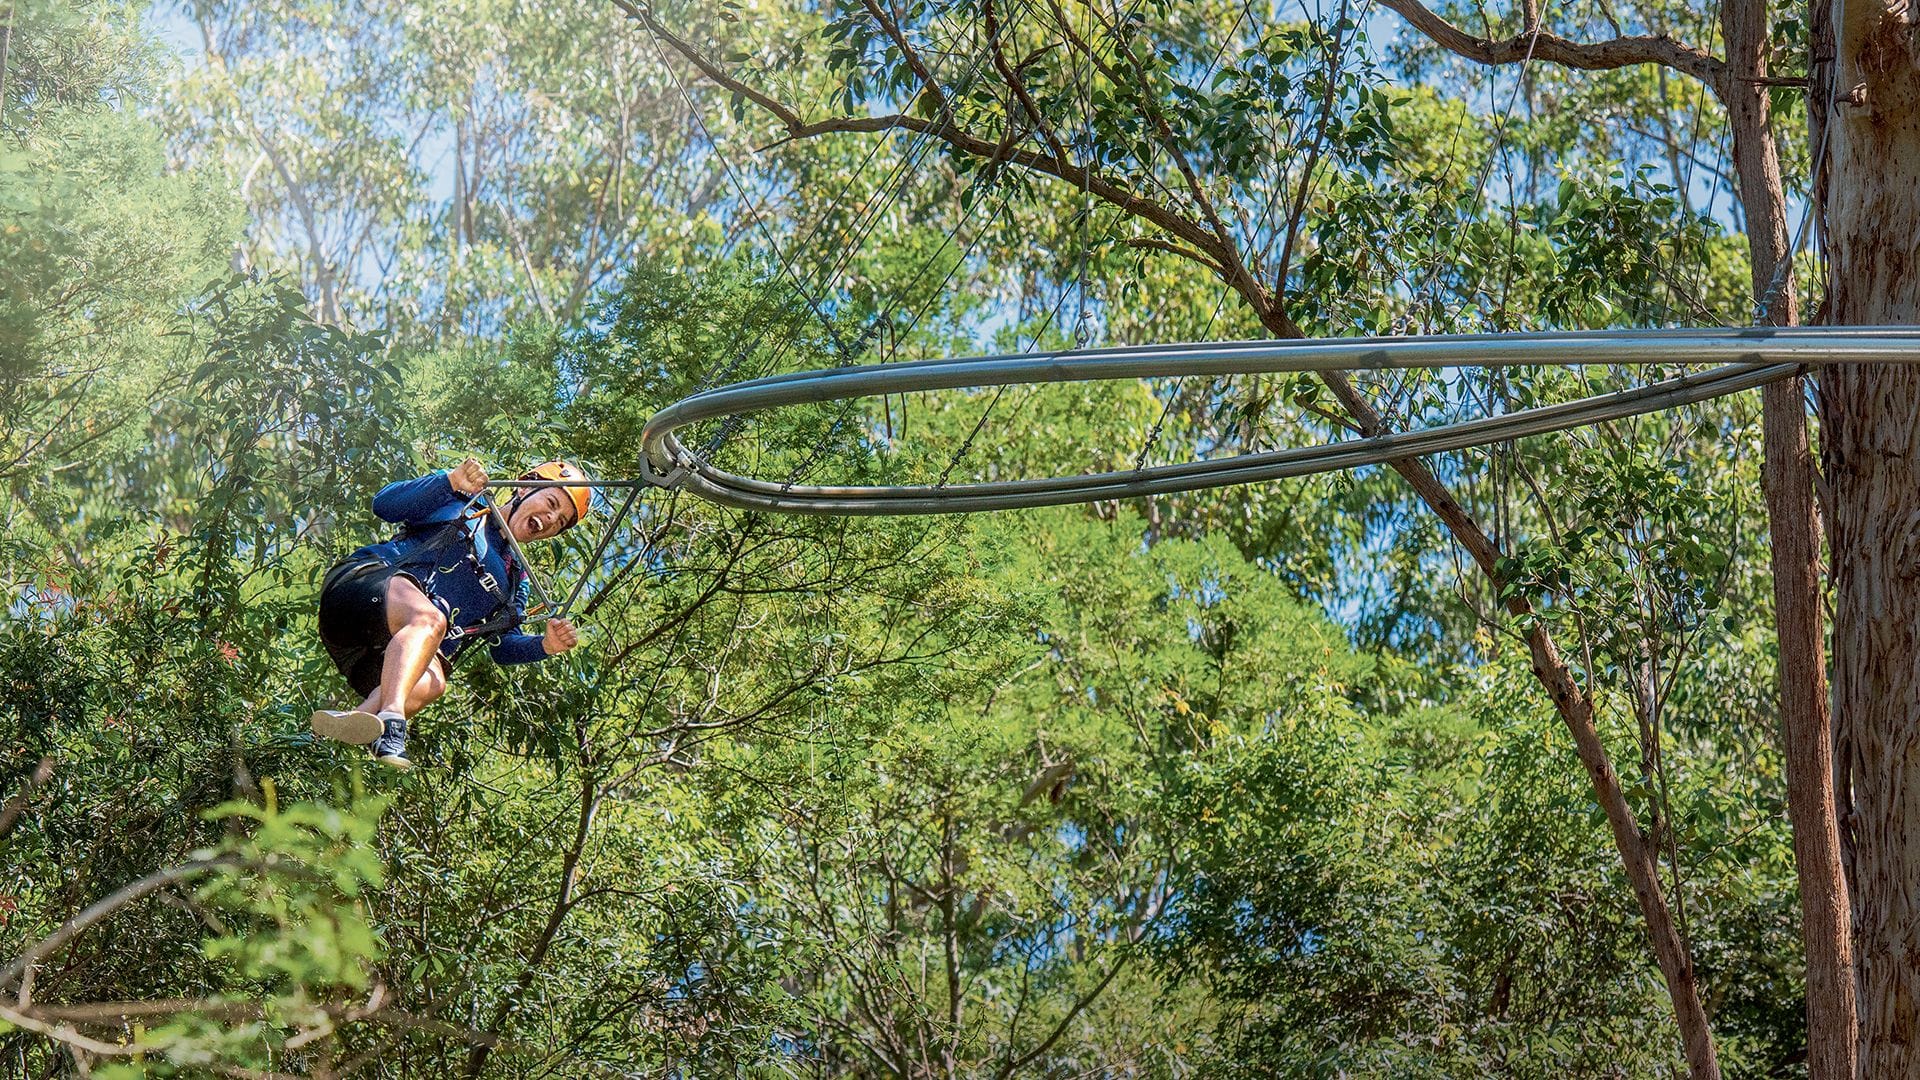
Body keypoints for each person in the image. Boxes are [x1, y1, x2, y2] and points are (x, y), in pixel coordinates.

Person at [309, 458, 587, 769]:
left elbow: (503, 648)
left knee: (435, 680)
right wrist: (449, 481)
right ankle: (391, 721)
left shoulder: (514, 581)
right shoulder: (465, 502)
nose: (551, 518)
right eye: (551, 502)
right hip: (358, 590)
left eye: (560, 521)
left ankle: (359, 718)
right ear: (523, 488)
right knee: (430, 620)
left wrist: (545, 645)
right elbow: (384, 504)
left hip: (373, 655)